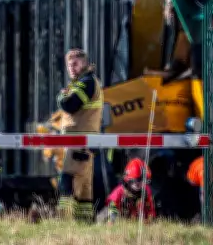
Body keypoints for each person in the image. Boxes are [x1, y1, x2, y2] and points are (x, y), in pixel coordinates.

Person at [55, 48, 104, 223]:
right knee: (83, 184)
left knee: (68, 180)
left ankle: (64, 221)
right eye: (69, 65)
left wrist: (61, 96)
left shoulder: (86, 82)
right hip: (83, 140)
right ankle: (84, 222)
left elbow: (70, 104)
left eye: (75, 63)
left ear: (84, 63)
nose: (72, 68)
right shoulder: (85, 81)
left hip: (79, 140)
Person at [98, 157, 155, 225]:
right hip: (118, 217)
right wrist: (111, 221)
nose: (140, 184)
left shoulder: (146, 191)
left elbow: (151, 210)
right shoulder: (119, 191)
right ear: (128, 180)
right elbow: (112, 206)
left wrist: (149, 220)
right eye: (137, 181)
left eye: (143, 181)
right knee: (102, 217)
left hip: (136, 220)